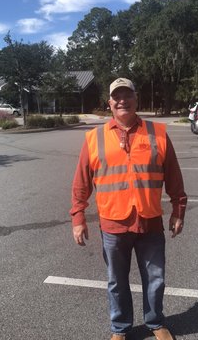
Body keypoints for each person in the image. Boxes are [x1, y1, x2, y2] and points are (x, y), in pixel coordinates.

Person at [70, 78, 187, 340]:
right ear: (109, 103)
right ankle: (120, 328)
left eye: (127, 95)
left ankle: (156, 322)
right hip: (113, 224)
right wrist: (78, 217)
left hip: (150, 222)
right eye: (117, 96)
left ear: (136, 99)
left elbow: (174, 177)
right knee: (116, 282)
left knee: (155, 279)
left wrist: (178, 210)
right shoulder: (93, 138)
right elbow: (81, 183)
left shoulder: (157, 133)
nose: (122, 100)